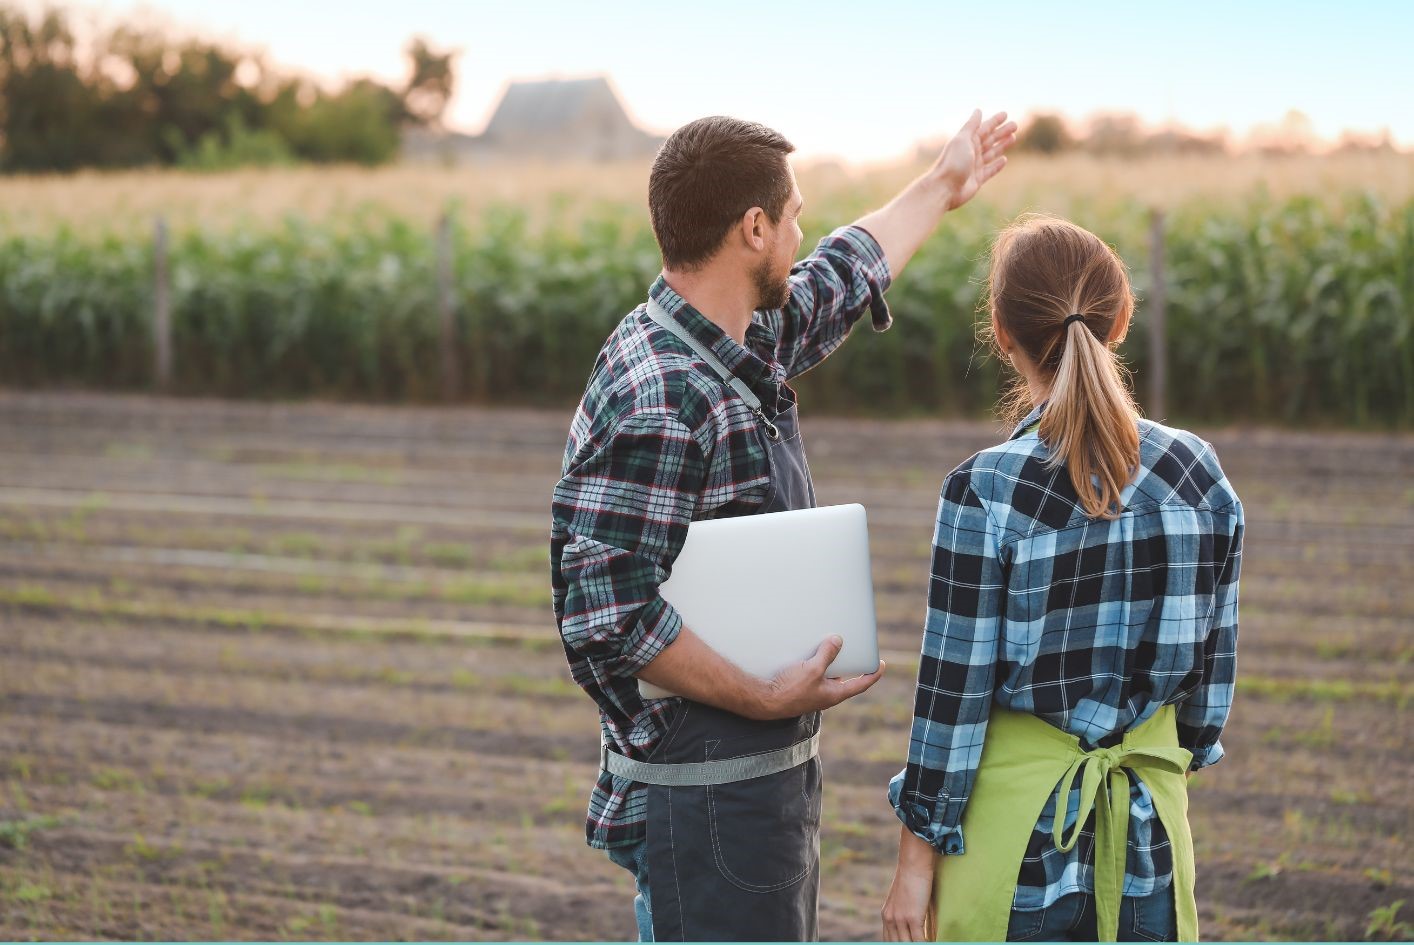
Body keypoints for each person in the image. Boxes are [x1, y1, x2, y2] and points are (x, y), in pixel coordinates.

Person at [551, 110, 1017, 941]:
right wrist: (765, 694)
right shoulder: (663, 394)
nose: (804, 232)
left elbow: (844, 273)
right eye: (794, 215)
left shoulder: (730, 339)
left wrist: (944, 185)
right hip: (708, 802)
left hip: (746, 793)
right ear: (752, 227)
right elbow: (605, 613)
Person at [881, 214, 1244, 943]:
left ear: (1002, 331)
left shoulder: (985, 490)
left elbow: (953, 696)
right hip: (1148, 843)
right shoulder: (1198, 473)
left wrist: (915, 860)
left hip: (1017, 854)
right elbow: (1207, 697)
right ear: (1119, 322)